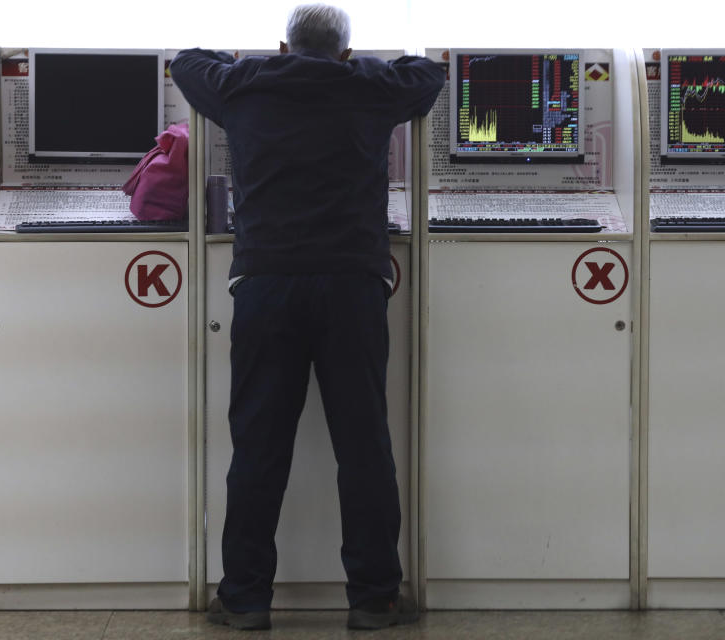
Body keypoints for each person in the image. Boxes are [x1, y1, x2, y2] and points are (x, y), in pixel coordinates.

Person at [170, 4, 444, 631]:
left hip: (267, 284)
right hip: (352, 285)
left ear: (284, 46)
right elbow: (427, 74)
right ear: (345, 52)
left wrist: (264, 64)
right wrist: (352, 69)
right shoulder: (370, 88)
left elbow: (186, 61)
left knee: (258, 444)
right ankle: (374, 598)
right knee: (365, 443)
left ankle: (244, 599)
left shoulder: (244, 86)